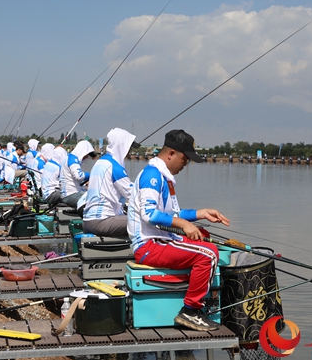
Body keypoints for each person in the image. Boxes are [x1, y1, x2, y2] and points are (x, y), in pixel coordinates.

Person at [127, 129, 229, 331]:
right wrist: (184, 225)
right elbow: (149, 214)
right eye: (185, 158)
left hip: (161, 240)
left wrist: (200, 213)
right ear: (171, 153)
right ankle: (190, 311)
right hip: (148, 245)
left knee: (204, 239)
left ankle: (196, 298)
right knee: (208, 254)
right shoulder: (152, 176)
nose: (186, 164)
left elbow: (172, 213)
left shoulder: (163, 175)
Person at [82, 128, 137, 237]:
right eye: (129, 148)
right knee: (147, 222)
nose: (129, 152)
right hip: (101, 221)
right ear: (122, 147)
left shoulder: (101, 162)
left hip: (89, 220)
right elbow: (134, 195)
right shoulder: (114, 167)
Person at [60, 140, 96, 208]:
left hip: (70, 192)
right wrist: (91, 175)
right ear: (83, 151)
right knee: (95, 199)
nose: (87, 157)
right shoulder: (73, 159)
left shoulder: (70, 157)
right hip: (70, 194)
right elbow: (79, 176)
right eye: (87, 154)